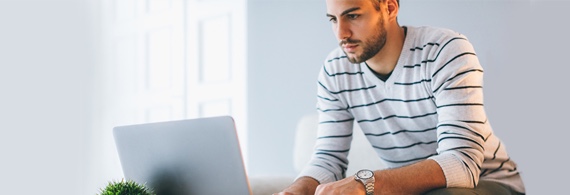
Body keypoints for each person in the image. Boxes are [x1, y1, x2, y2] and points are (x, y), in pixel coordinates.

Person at [275, 0, 526, 194]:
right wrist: (296, 189)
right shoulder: (335, 70)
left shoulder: (446, 51)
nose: (341, 33)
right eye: (333, 19)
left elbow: (461, 164)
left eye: (353, 15)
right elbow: (328, 160)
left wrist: (365, 183)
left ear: (390, 8)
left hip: (487, 182)